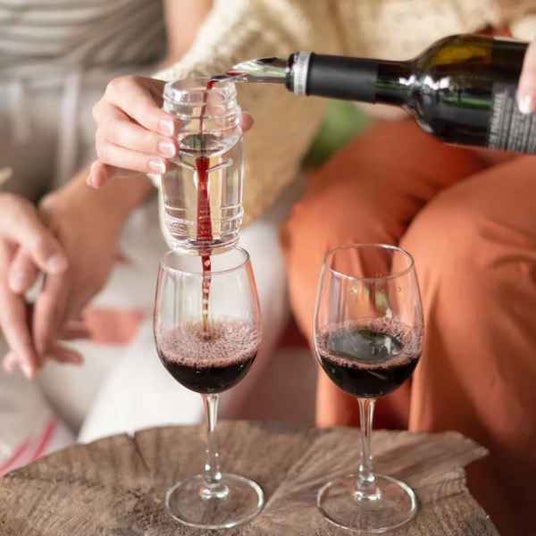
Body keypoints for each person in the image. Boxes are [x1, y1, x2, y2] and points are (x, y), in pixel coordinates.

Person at [88, 1, 536, 534]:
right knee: (334, 239)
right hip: (446, 100)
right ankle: (372, 494)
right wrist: (188, 90)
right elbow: (283, 11)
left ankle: (482, 516)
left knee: (463, 255)